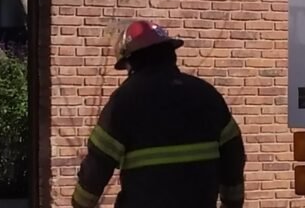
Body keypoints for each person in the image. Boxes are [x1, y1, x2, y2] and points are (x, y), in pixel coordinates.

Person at [71, 20, 246, 208]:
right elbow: (233, 154)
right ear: (169, 54)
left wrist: (81, 203)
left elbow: (98, 162)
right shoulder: (206, 95)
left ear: (132, 61)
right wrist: (232, 203)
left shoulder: (125, 101)